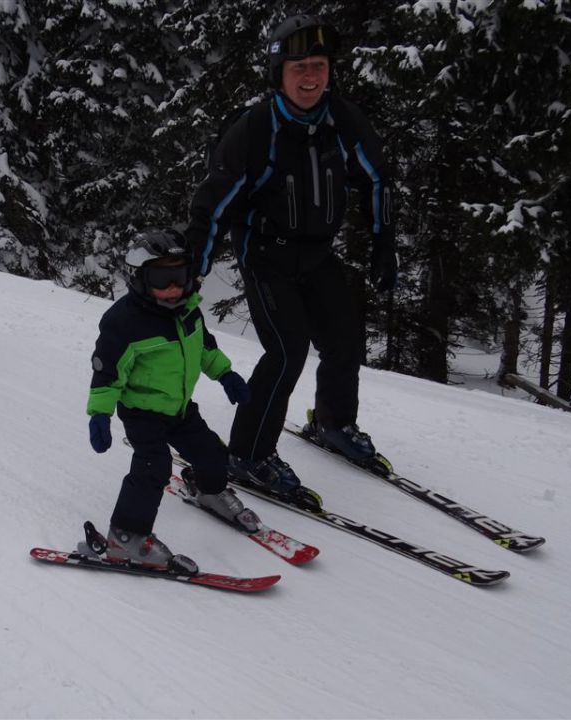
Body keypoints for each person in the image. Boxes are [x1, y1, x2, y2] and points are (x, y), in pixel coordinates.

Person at [184, 15, 398, 506]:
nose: (310, 77)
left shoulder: (342, 120)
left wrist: (384, 241)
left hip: (318, 254)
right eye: (299, 66)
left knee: (344, 341)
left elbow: (377, 178)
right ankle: (248, 453)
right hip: (265, 254)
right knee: (286, 353)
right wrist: (193, 267)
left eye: (319, 66)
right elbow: (213, 202)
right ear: (279, 73)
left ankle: (335, 423)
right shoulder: (256, 129)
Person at [86, 229, 257, 570]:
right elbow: (107, 373)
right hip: (142, 412)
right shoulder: (125, 323)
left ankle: (208, 490)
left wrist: (226, 373)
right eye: (163, 278)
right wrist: (100, 414)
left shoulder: (188, 311)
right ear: (139, 278)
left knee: (212, 453)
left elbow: (204, 347)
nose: (174, 287)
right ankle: (127, 536)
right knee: (154, 466)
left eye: (180, 276)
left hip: (179, 408)